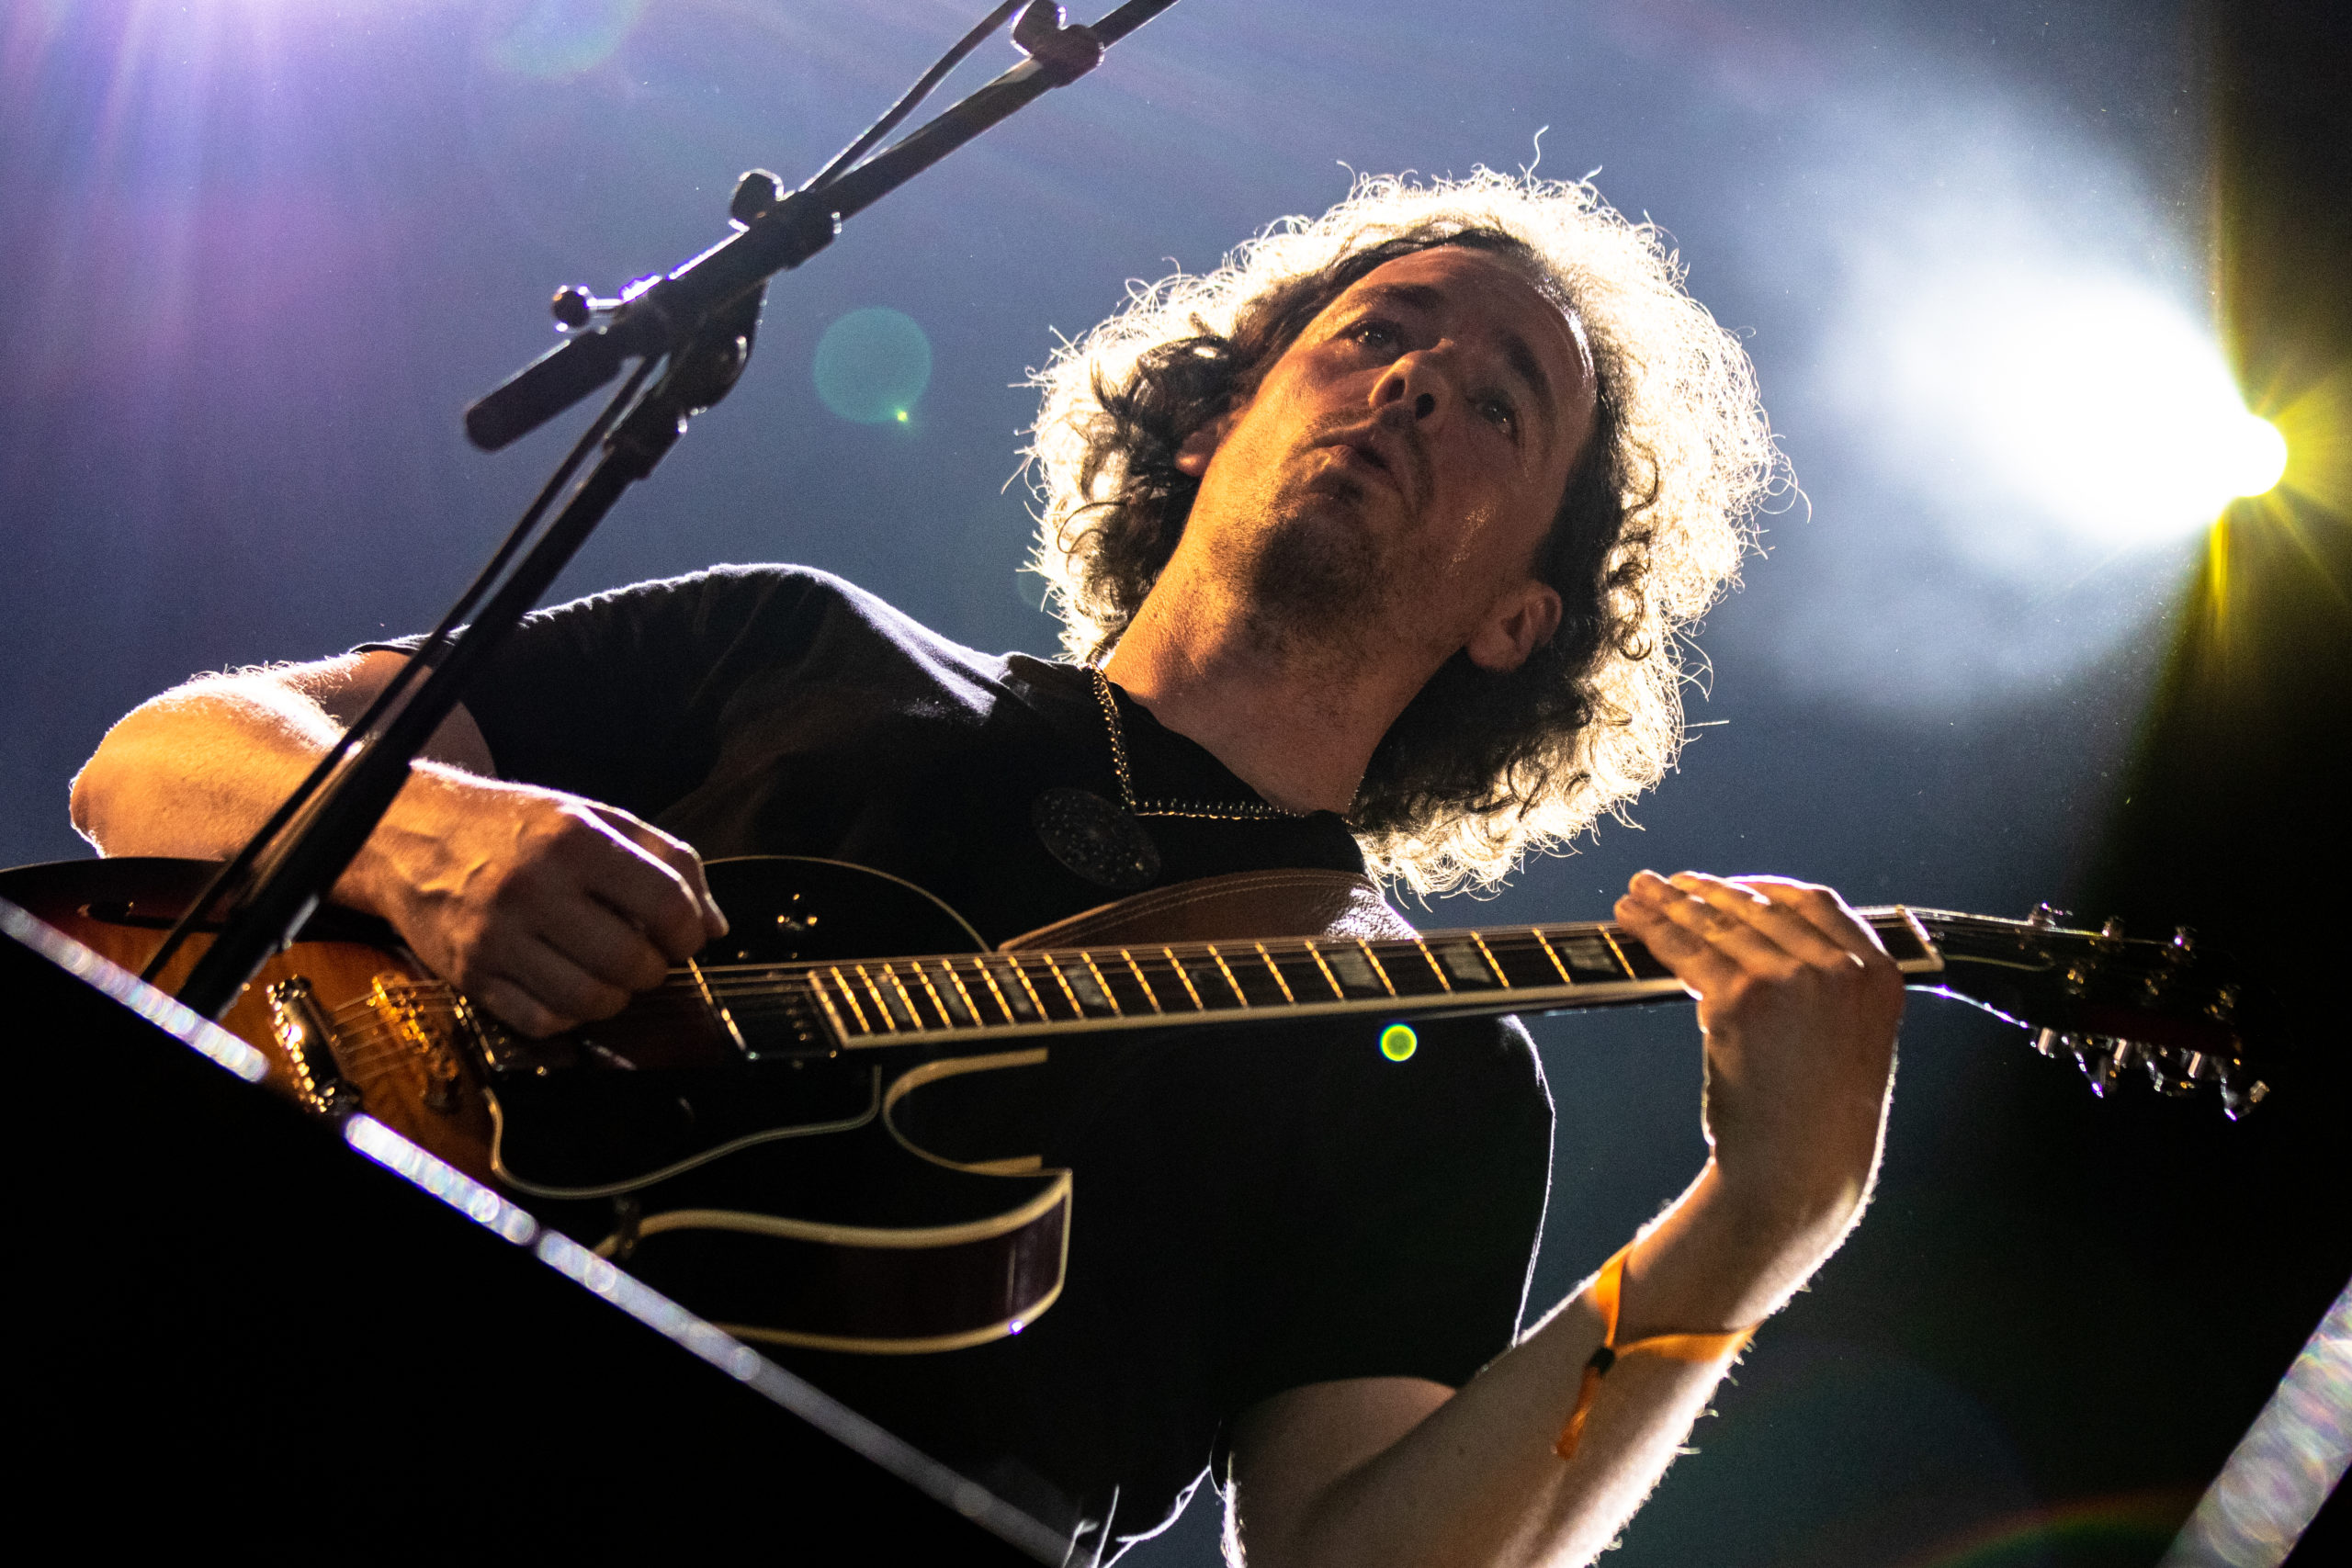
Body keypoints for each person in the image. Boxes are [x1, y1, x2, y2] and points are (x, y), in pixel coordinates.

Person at [70, 171, 1905, 1566]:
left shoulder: (1429, 1056)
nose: (1417, 381)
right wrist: (431, 837)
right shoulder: (794, 638)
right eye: (1372, 334)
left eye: (1502, 404)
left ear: (1519, 618)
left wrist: (1757, 1222)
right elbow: (149, 767)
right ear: (1215, 415)